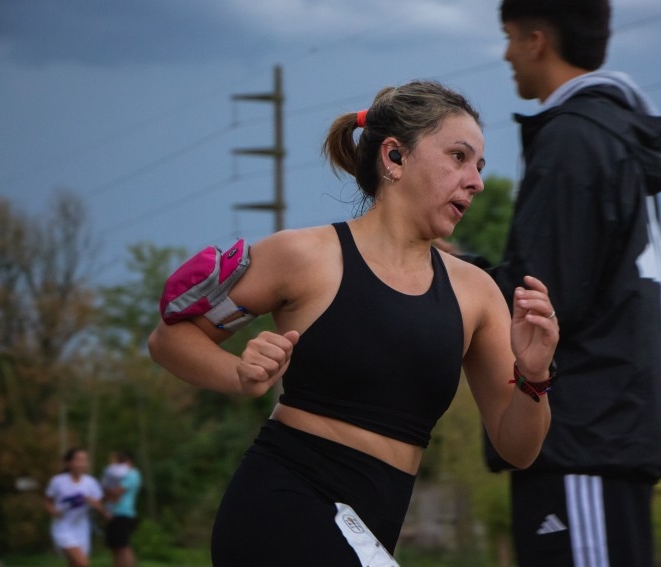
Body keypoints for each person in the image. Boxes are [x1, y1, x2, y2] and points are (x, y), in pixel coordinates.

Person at [148, 79, 559, 566]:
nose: (476, 180)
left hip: (371, 530)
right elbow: (170, 339)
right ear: (395, 157)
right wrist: (238, 374)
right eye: (458, 157)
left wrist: (534, 378)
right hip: (281, 508)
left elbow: (518, 449)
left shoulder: (477, 293)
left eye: (480, 166)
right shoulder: (303, 256)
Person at [482, 1, 661, 566]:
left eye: (510, 37)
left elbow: (539, 299)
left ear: (538, 40)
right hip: (599, 439)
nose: (506, 54)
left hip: (580, 443)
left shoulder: (574, 141)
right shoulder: (610, 134)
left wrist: (448, 274)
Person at [43, 447, 110, 567]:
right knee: (82, 563)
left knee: (75, 564)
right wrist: (53, 511)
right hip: (62, 527)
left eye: (85, 460)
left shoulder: (91, 483)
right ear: (68, 463)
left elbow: (101, 508)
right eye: (78, 460)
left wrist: (95, 504)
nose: (82, 464)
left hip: (82, 528)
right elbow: (47, 502)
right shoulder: (57, 481)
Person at [102, 450, 142, 567]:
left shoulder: (132, 474)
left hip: (123, 513)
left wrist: (104, 489)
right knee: (115, 548)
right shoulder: (114, 474)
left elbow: (117, 492)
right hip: (112, 513)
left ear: (129, 461)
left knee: (123, 547)